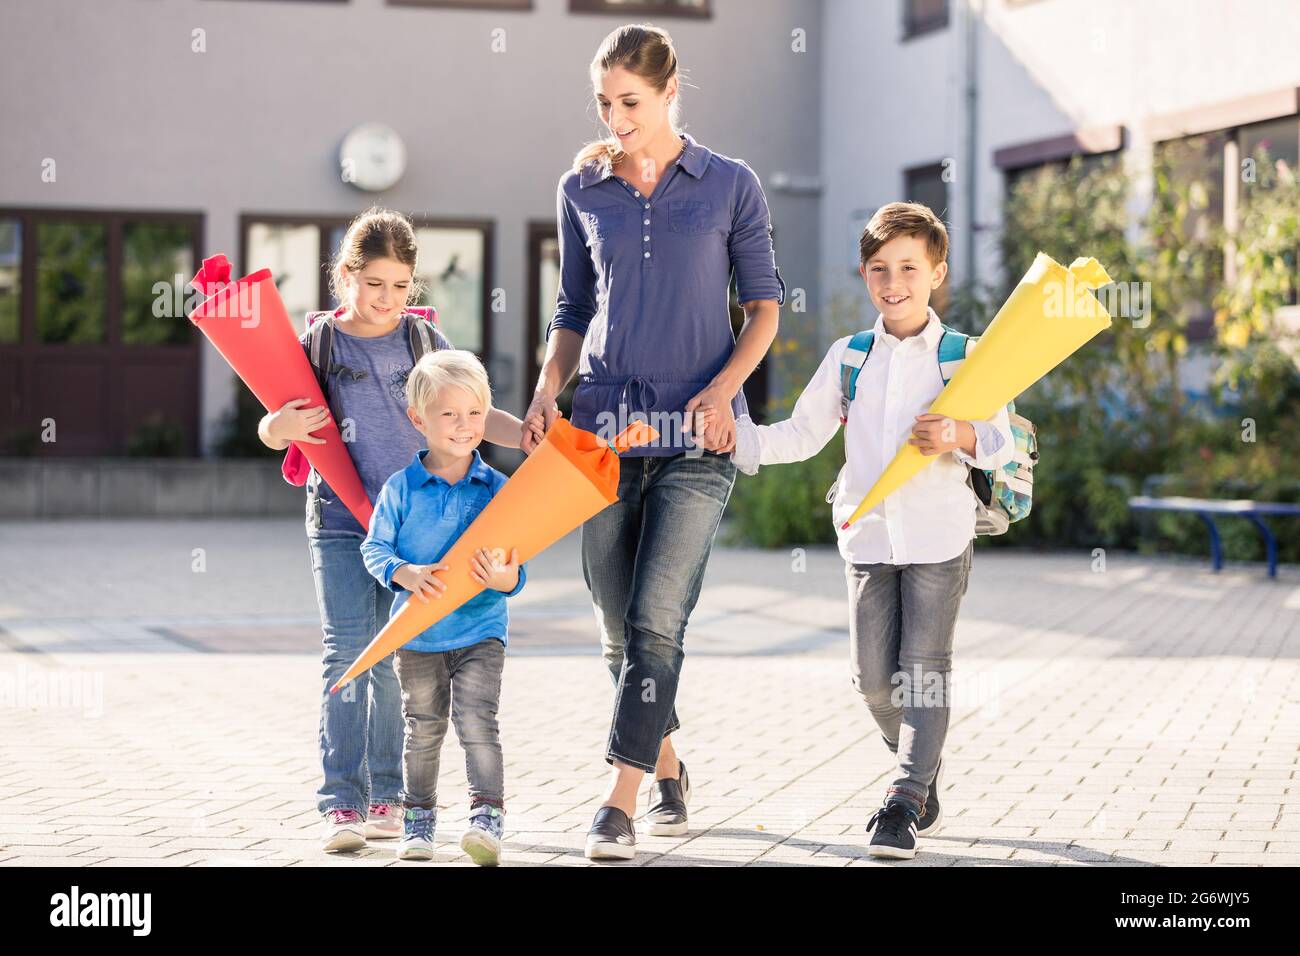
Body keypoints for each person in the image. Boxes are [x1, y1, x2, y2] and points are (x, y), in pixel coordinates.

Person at [521, 23, 785, 861]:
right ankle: (667, 765)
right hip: (601, 436)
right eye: (604, 102)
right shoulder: (582, 187)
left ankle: (618, 800)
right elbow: (571, 311)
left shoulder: (730, 185)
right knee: (614, 627)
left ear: (672, 92)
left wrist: (721, 392)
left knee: (657, 622)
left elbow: (765, 309)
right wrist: (542, 392)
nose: (616, 117)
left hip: (695, 439)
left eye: (630, 102)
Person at [730, 202, 1014, 860]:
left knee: (926, 672)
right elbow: (803, 435)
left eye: (910, 267)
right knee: (873, 682)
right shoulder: (849, 357)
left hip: (940, 538)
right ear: (865, 274)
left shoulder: (962, 357)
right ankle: (921, 762)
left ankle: (904, 801)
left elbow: (1003, 441)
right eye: (881, 268)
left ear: (936, 273)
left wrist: (959, 434)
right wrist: (735, 440)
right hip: (868, 539)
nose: (895, 281)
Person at [256, 207, 526, 853]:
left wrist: (536, 440)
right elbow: (271, 422)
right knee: (350, 654)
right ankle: (342, 804)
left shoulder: (422, 344)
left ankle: (389, 796)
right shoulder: (318, 344)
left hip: (416, 529)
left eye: (401, 286)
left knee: (399, 662)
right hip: (342, 522)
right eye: (374, 283)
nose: (387, 299)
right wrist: (277, 430)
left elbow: (472, 413)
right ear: (345, 276)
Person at [361, 350, 525, 866]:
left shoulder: (500, 490)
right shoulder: (400, 489)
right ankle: (419, 818)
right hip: (418, 637)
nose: (464, 425)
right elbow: (374, 549)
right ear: (418, 420)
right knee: (424, 729)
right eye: (449, 414)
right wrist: (403, 572)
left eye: (475, 413)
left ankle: (486, 817)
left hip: (481, 631)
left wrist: (505, 579)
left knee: (479, 724)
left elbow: (517, 567)